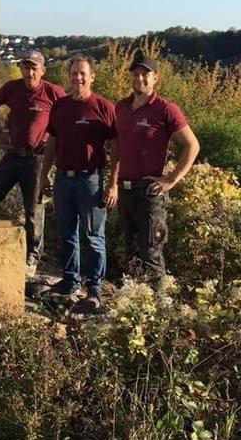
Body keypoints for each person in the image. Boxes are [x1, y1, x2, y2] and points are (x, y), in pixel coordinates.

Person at [107, 50, 200, 287]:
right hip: (125, 190)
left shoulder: (165, 109)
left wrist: (171, 179)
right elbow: (117, 148)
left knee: (151, 254)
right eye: (135, 74)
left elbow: (192, 145)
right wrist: (113, 182)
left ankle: (160, 304)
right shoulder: (121, 108)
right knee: (129, 253)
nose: (140, 78)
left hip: (149, 193)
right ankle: (133, 301)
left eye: (145, 74)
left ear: (155, 78)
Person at [39, 55, 118, 317]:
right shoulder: (60, 106)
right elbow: (52, 142)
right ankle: (70, 281)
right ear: (69, 76)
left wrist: (113, 183)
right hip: (63, 179)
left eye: (83, 73)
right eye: (74, 73)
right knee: (67, 233)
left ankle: (94, 289)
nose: (78, 78)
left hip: (90, 180)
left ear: (92, 77)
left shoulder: (103, 107)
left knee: (94, 236)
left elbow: (116, 148)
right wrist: (44, 174)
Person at [0, 50, 65, 275]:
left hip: (38, 159)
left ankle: (32, 258)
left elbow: (68, 118)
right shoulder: (12, 88)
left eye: (34, 68)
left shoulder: (53, 92)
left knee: (34, 211)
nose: (29, 72)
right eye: (26, 67)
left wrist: (57, 150)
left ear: (42, 70)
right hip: (13, 155)